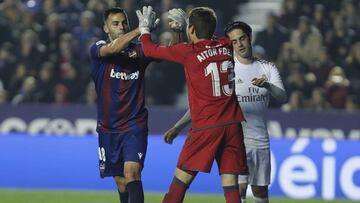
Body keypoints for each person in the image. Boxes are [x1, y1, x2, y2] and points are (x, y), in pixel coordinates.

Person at [163, 21, 287, 203]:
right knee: (238, 189)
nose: (240, 44)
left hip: (260, 141)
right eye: (234, 41)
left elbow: (282, 97)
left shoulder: (267, 68)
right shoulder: (226, 66)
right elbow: (205, 105)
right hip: (235, 138)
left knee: (260, 193)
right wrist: (178, 126)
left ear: (250, 37)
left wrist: (267, 85)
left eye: (242, 39)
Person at [137, 6, 248, 203]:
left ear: (192, 30)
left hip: (206, 127)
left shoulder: (188, 52)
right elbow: (205, 43)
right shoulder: (225, 44)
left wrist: (145, 30)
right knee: (230, 185)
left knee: (180, 183)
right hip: (232, 125)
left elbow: (149, 49)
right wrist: (183, 30)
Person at [88, 7, 160, 203]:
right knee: (121, 181)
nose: (121, 27)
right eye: (116, 23)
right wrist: (140, 29)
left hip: (134, 125)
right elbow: (112, 48)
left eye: (123, 23)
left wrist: (177, 32)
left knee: (132, 173)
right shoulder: (98, 49)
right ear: (105, 28)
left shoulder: (140, 51)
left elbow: (167, 54)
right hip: (108, 128)